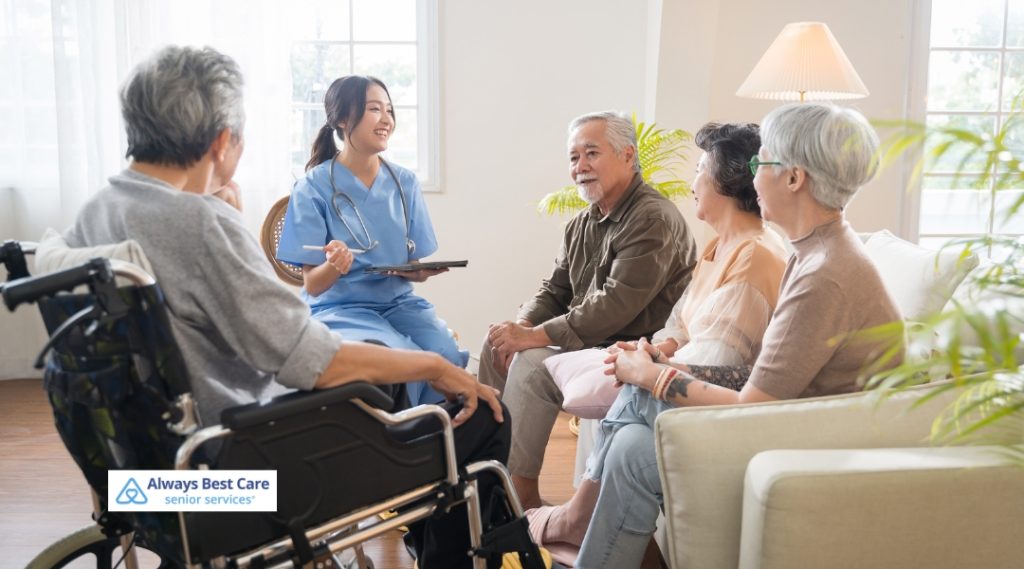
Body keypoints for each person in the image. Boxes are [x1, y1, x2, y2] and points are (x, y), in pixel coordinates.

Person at [62, 46, 508, 569]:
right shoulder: (200, 222)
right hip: (243, 476)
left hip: (143, 484)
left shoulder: (91, 217)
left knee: (411, 387)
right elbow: (311, 358)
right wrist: (436, 367)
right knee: (482, 416)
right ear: (222, 139)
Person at [572, 103, 906, 569]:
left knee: (637, 399)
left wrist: (652, 377)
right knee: (630, 447)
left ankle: (576, 515)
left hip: (806, 447)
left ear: (793, 178)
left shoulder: (824, 274)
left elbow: (755, 409)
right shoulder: (813, 253)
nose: (751, 179)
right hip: (796, 425)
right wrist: (666, 366)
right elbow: (760, 379)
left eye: (759, 163)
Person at [526, 122, 789, 565]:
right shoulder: (720, 246)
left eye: (701, 169)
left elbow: (719, 360)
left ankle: (577, 513)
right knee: (628, 442)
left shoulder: (755, 256)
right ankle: (585, 522)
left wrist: (644, 370)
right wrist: (653, 351)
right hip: (692, 384)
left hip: (723, 414)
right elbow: (680, 328)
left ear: (725, 181)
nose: (692, 182)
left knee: (630, 393)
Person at [479, 111, 698, 509]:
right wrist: (522, 324)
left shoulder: (653, 218)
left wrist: (532, 338)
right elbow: (555, 289)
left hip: (631, 351)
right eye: (573, 157)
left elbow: (614, 306)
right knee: (496, 343)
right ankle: (488, 474)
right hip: (591, 341)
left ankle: (520, 493)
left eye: (591, 154)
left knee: (530, 363)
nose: (579, 167)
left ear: (628, 155)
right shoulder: (582, 223)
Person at [276, 75, 463, 407]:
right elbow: (314, 286)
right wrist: (335, 266)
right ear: (343, 119)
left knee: (445, 353)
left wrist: (418, 272)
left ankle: (437, 441)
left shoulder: (404, 182)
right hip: (341, 309)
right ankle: (398, 443)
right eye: (374, 109)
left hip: (399, 304)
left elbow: (414, 265)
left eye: (389, 109)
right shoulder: (312, 187)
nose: (387, 119)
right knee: (397, 358)